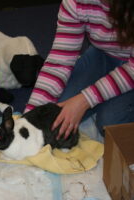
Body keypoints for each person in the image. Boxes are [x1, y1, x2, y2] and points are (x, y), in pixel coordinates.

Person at [25, 0, 134, 140]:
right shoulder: (76, 2)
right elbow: (59, 61)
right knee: (56, 115)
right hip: (103, 54)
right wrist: (30, 117)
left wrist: (86, 100)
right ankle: (107, 96)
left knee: (110, 125)